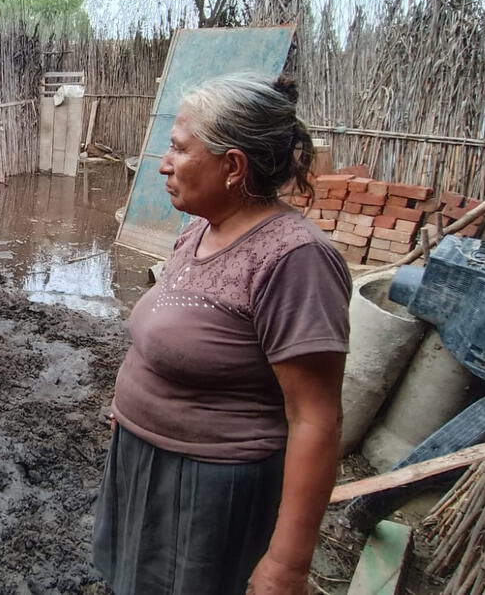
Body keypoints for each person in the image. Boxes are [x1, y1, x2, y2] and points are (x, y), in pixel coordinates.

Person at [93, 73, 350, 595]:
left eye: (179, 150)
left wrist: (286, 565)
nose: (163, 164)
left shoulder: (295, 260)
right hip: (147, 460)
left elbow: (315, 417)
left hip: (212, 487)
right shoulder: (198, 230)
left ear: (233, 166)